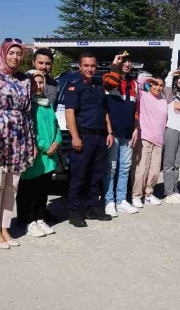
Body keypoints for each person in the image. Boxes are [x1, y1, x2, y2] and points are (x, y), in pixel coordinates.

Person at [0, 38, 35, 248]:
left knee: (12, 186)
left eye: (19, 53)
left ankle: (5, 227)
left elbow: (29, 113)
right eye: (11, 53)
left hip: (20, 137)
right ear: (3, 54)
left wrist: (30, 140)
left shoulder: (25, 80)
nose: (15, 57)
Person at [64, 53, 114, 227]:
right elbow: (69, 112)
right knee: (79, 176)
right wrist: (75, 136)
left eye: (92, 66)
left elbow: (105, 111)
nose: (89, 69)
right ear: (79, 66)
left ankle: (92, 208)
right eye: (86, 65)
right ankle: (75, 212)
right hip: (84, 137)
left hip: (100, 137)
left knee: (96, 176)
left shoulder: (98, 87)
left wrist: (109, 132)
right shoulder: (74, 87)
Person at [18, 71, 62, 237]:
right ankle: (29, 222)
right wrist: (44, 146)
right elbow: (30, 130)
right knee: (31, 191)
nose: (38, 86)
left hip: (50, 156)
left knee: (43, 190)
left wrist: (57, 141)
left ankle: (40, 218)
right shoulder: (28, 105)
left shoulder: (47, 103)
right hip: (37, 156)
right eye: (35, 83)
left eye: (41, 82)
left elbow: (56, 125)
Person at [102, 51, 140, 217]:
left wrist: (136, 128)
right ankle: (109, 201)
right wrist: (115, 65)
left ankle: (121, 200)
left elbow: (136, 109)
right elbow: (111, 82)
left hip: (127, 133)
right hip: (113, 132)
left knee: (124, 168)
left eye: (129, 62)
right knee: (111, 168)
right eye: (124, 61)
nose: (127, 64)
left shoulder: (134, 83)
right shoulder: (109, 78)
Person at [132, 76, 168, 206]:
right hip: (145, 138)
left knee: (154, 171)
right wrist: (149, 79)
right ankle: (136, 195)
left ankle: (149, 193)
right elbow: (138, 83)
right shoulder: (143, 96)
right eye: (155, 84)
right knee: (142, 169)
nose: (158, 87)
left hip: (159, 140)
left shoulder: (163, 101)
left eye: (161, 85)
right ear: (150, 85)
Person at [162, 69, 180, 204]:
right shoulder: (169, 93)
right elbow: (167, 84)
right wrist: (171, 73)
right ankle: (168, 192)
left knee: (177, 164)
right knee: (169, 164)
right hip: (172, 130)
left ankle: (174, 189)